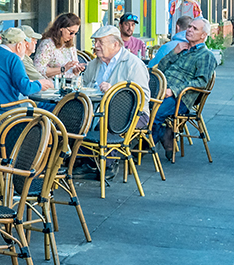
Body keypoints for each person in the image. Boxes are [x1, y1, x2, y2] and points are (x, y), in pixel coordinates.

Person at [151, 18, 217, 162]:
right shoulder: (182, 48)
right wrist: (174, 52)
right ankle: (163, 133)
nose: (189, 30)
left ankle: (144, 147)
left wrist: (172, 90)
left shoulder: (206, 56)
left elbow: (201, 81)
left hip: (180, 97)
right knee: (136, 108)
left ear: (203, 35)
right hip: (159, 89)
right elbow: (160, 68)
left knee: (155, 114)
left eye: (194, 28)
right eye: (189, 27)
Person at [0, 27, 54, 107]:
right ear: (19, 46)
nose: (25, 49)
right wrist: (40, 84)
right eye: (24, 45)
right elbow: (26, 88)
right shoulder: (13, 58)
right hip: (7, 110)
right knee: (54, 108)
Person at [83, 25, 150, 109]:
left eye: (101, 42)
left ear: (115, 44)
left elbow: (144, 97)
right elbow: (84, 87)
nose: (96, 45)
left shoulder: (133, 64)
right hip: (97, 113)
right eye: (95, 42)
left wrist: (114, 91)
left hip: (129, 115)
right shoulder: (93, 64)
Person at [34, 13, 86, 79]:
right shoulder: (47, 44)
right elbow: (38, 70)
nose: (73, 36)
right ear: (61, 28)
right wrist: (62, 69)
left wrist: (75, 70)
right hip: (53, 85)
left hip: (70, 84)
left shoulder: (70, 46)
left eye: (75, 33)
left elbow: (71, 70)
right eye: (71, 32)